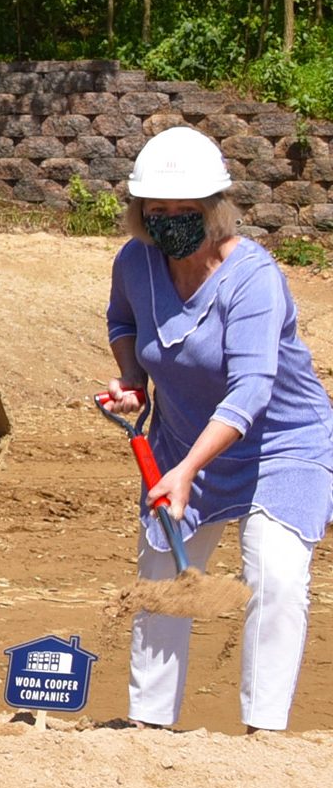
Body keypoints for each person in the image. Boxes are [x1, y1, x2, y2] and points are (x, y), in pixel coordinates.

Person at [100, 126, 333, 733]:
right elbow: (123, 317)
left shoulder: (253, 277)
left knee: (274, 574)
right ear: (140, 211)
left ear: (214, 210)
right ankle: (148, 728)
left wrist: (185, 472)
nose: (171, 220)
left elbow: (252, 388)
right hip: (183, 440)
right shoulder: (136, 261)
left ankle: (264, 732)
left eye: (186, 210)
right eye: (158, 210)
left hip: (281, 443)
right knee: (161, 576)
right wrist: (133, 380)